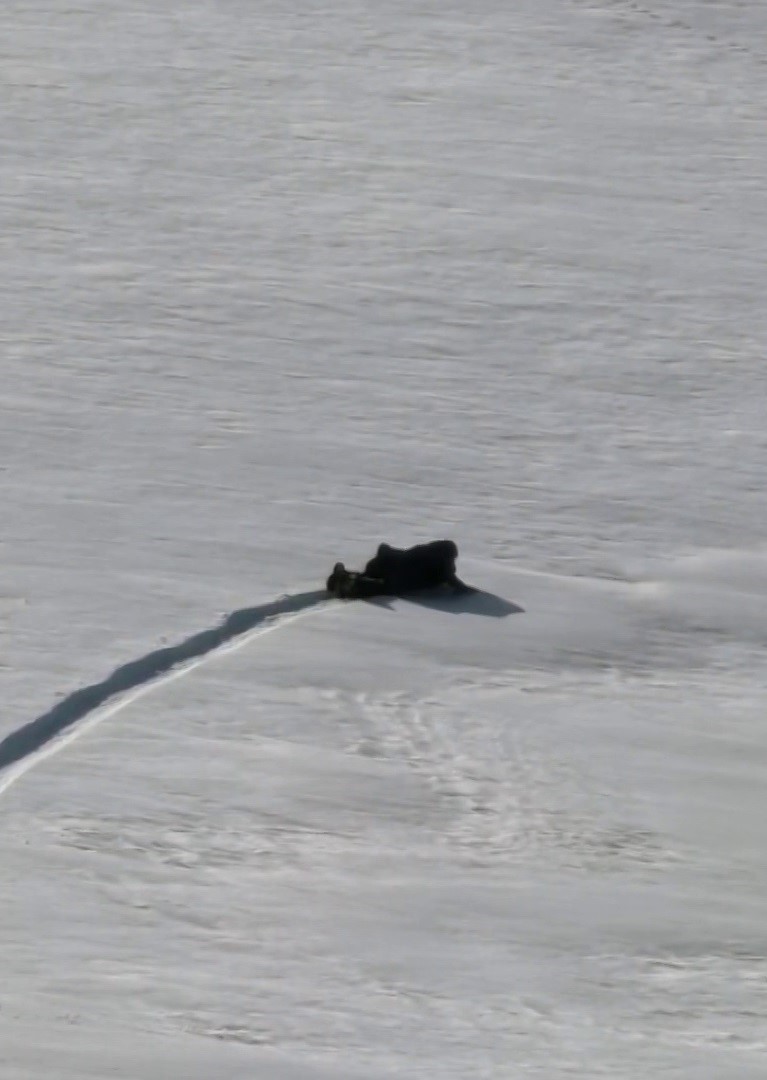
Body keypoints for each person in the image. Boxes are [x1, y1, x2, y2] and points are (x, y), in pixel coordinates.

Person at [326, 540, 473, 599]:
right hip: (396, 579)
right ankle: (350, 586)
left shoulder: (422, 551)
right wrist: (467, 590)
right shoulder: (441, 565)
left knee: (369, 575)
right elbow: (452, 579)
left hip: (383, 561)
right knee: (377, 587)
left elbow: (387, 549)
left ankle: (342, 577)